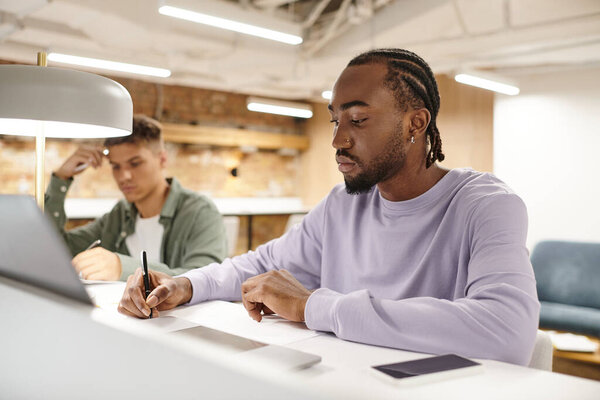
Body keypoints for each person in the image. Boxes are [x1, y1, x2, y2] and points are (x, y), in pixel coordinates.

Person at [117, 49, 540, 365]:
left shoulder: (486, 205)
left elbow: (507, 330)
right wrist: (185, 285)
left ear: (416, 123)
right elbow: (260, 265)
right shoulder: (342, 205)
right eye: (335, 120)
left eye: (358, 120)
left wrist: (312, 306)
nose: (337, 139)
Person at [45, 115, 227, 281]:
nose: (124, 176)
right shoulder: (119, 215)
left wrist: (122, 268)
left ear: (162, 159)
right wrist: (61, 178)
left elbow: (206, 279)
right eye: (116, 166)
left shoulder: (199, 212)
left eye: (135, 163)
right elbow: (56, 248)